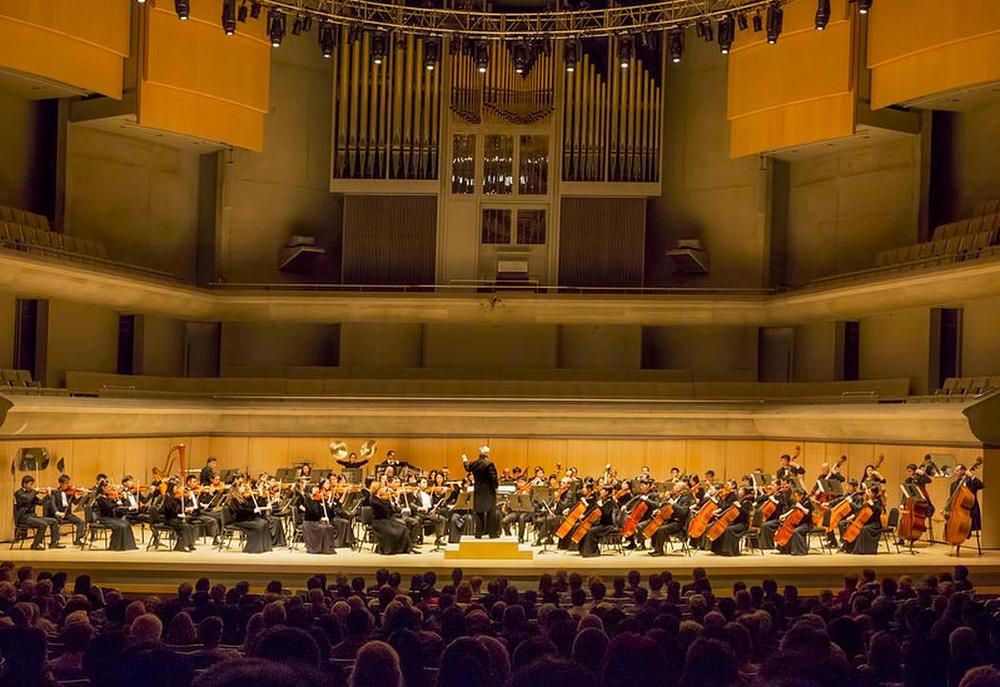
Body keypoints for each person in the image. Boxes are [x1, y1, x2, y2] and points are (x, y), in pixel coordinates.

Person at [14, 475, 61, 550]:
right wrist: (35, 492)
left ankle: (54, 543)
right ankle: (35, 544)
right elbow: (27, 499)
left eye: (32, 484)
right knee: (43, 524)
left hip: (32, 517)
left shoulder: (31, 493)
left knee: (54, 521)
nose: (32, 486)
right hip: (23, 518)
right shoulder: (18, 493)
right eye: (30, 484)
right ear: (24, 484)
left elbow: (41, 503)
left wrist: (48, 495)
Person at [463, 446, 499, 538]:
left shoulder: (474, 463)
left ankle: (478, 534)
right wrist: (496, 486)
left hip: (478, 491)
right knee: (491, 512)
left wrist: (464, 459)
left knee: (479, 512)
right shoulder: (489, 464)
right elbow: (493, 478)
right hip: (488, 491)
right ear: (487, 454)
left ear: (479, 454)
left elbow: (467, 467)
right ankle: (492, 534)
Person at [95, 481, 138, 550]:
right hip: (104, 519)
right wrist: (117, 502)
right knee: (120, 526)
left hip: (111, 518)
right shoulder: (100, 498)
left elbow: (115, 508)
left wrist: (118, 500)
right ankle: (116, 546)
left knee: (127, 524)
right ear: (103, 488)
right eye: (109, 488)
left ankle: (128, 546)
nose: (111, 490)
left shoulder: (107, 497)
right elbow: (109, 506)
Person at [45, 474, 85, 546]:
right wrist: (57, 512)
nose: (68, 485)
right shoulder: (55, 492)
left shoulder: (69, 492)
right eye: (66, 483)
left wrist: (82, 496)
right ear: (60, 483)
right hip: (58, 514)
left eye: (68, 483)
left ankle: (78, 539)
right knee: (55, 522)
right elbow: (52, 503)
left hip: (67, 514)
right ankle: (54, 542)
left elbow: (75, 502)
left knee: (81, 522)